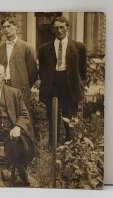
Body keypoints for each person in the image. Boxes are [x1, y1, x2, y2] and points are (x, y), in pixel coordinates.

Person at [38, 16, 87, 145]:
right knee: (53, 117)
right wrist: (47, 83)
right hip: (52, 85)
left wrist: (79, 84)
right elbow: (42, 69)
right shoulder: (44, 48)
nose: (59, 30)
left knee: (70, 118)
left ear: (67, 28)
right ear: (52, 30)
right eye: (56, 28)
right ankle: (53, 146)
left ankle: (69, 146)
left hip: (69, 85)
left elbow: (82, 71)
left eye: (62, 27)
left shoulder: (79, 47)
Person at [0, 16, 38, 105]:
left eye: (9, 26)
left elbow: (33, 72)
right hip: (3, 85)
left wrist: (25, 85)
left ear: (16, 27)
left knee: (19, 113)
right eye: (4, 27)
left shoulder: (26, 47)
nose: (6, 29)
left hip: (20, 86)